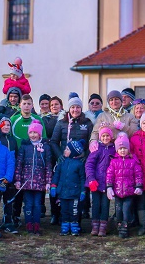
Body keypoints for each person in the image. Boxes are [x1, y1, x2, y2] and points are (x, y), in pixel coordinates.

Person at [49, 96, 93, 224]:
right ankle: (56, 214)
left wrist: (86, 155)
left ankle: (80, 213)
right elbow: (53, 141)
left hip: (80, 162)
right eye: (73, 107)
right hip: (64, 161)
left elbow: (92, 141)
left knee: (79, 187)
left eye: (78, 107)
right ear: (69, 108)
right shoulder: (61, 122)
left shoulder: (87, 122)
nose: (75, 109)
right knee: (60, 186)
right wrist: (59, 156)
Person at [14, 121, 52, 235]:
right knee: (28, 204)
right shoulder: (25, 147)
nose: (33, 135)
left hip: (39, 183)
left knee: (37, 204)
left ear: (40, 134)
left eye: (35, 132)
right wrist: (18, 180)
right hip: (26, 183)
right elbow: (19, 164)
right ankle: (29, 224)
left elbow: (49, 166)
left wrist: (48, 182)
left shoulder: (45, 147)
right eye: (31, 132)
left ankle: (36, 224)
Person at [106, 133, 144, 239]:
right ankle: (119, 225)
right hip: (118, 192)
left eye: (125, 148)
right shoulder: (113, 162)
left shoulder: (133, 161)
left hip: (129, 191)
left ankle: (125, 227)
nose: (123, 150)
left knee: (126, 210)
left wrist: (139, 186)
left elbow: (138, 175)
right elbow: (110, 175)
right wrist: (109, 187)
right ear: (117, 150)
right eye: (120, 148)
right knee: (118, 210)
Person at [85, 126, 116, 237]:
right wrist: (91, 179)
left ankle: (103, 226)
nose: (105, 138)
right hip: (96, 182)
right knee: (96, 204)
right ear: (100, 137)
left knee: (105, 205)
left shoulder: (114, 149)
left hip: (107, 183)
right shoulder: (96, 148)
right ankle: (95, 225)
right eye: (103, 136)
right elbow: (89, 164)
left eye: (107, 136)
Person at [51, 141, 86, 236]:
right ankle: (65, 226)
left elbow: (83, 178)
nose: (64, 150)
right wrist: (54, 186)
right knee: (64, 210)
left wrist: (83, 191)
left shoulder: (79, 164)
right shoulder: (62, 163)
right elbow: (56, 175)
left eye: (67, 149)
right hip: (63, 192)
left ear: (73, 152)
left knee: (74, 210)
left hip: (75, 193)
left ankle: (74, 226)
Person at [0, 117, 19, 234]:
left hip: (10, 175)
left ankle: (8, 222)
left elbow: (16, 157)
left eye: (8, 125)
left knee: (9, 200)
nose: (6, 127)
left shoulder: (13, 140)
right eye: (3, 125)